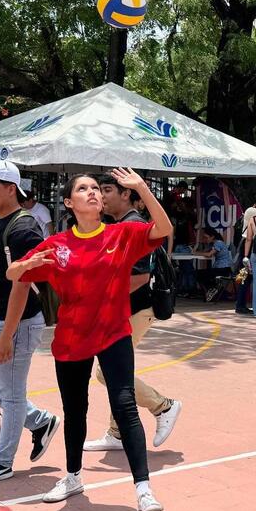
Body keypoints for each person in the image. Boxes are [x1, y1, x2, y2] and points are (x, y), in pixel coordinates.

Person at [7, 168, 171, 511]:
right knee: (75, 410)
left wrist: (141, 187)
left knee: (124, 403)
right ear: (69, 202)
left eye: (96, 188)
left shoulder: (122, 234)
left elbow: (164, 229)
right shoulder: (57, 245)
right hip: (71, 338)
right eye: (83, 189)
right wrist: (27, 264)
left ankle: (143, 488)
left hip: (113, 333)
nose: (93, 192)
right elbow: (13, 273)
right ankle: (73, 475)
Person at [0, 160, 60, 486]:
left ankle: (1, 462)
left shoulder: (23, 228)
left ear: (10, 189)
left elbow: (22, 284)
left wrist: (6, 335)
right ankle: (40, 420)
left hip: (13, 323)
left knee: (12, 394)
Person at [81, 175, 181, 453]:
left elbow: (138, 277)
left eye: (107, 190)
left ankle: (163, 406)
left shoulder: (134, 225)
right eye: (98, 190)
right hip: (126, 308)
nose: (101, 195)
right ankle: (117, 433)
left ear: (126, 195)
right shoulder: (116, 225)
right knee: (115, 369)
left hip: (136, 308)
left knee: (107, 371)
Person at [235, 192, 256, 314]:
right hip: (248, 244)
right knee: (246, 276)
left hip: (253, 244)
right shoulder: (251, 210)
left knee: (248, 276)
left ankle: (242, 304)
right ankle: (240, 305)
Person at [192, 226, 233, 297]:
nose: (205, 239)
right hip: (220, 268)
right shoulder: (214, 244)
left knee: (198, 273)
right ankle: (213, 290)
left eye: (206, 237)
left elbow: (209, 254)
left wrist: (195, 253)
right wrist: (202, 243)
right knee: (200, 273)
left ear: (212, 237)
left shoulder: (218, 243)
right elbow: (205, 251)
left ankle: (212, 289)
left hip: (223, 269)